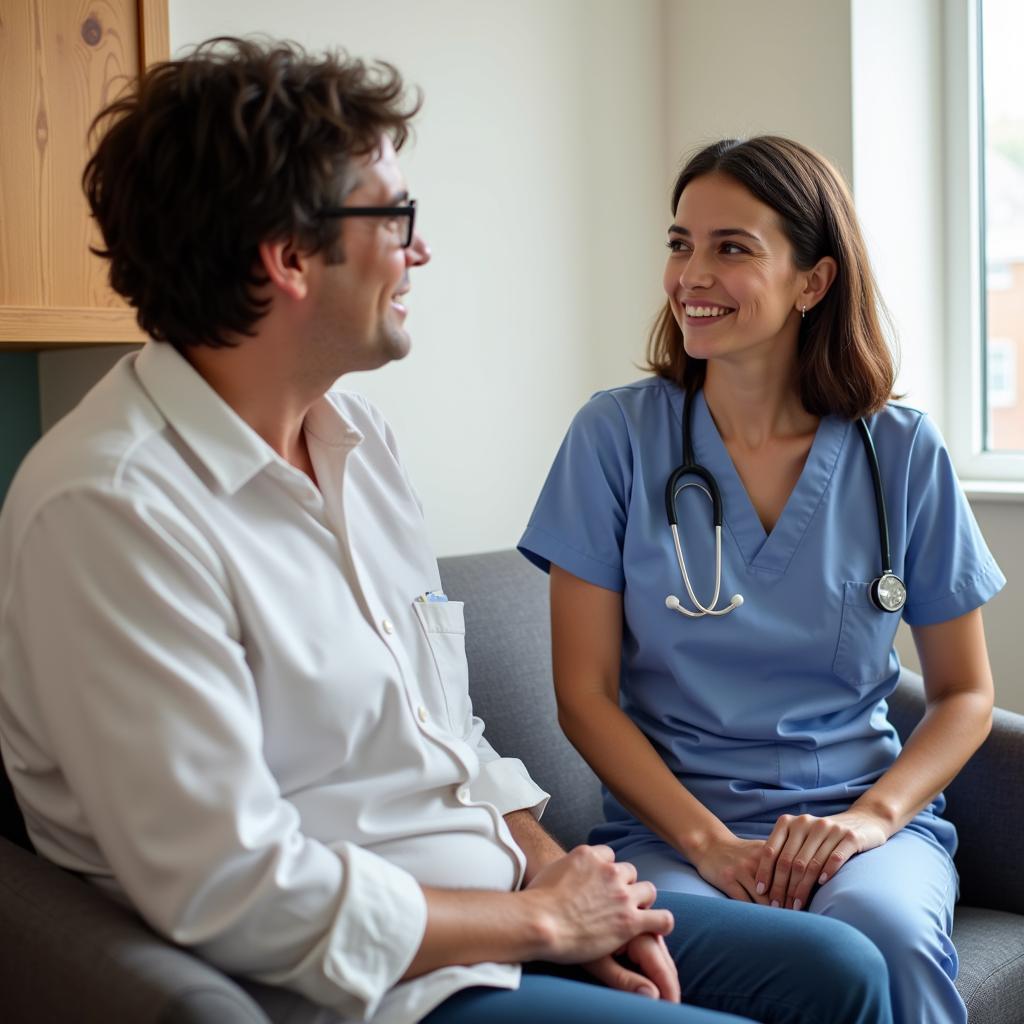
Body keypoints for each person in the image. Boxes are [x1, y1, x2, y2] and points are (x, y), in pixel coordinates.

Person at [0, 45, 893, 1024]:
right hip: (375, 985)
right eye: (394, 219)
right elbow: (233, 887)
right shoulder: (114, 509)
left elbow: (449, 739)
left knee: (842, 972)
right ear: (288, 256)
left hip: (500, 911)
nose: (418, 251)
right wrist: (545, 926)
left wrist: (566, 882)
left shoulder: (358, 442)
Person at [519, 135, 1003, 1024]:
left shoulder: (900, 452)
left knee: (884, 939)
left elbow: (966, 691)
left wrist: (872, 821)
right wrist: (706, 844)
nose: (690, 274)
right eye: (680, 244)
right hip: (673, 829)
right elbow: (583, 695)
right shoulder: (616, 439)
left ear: (813, 281)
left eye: (730, 248)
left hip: (860, 827)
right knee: (695, 951)